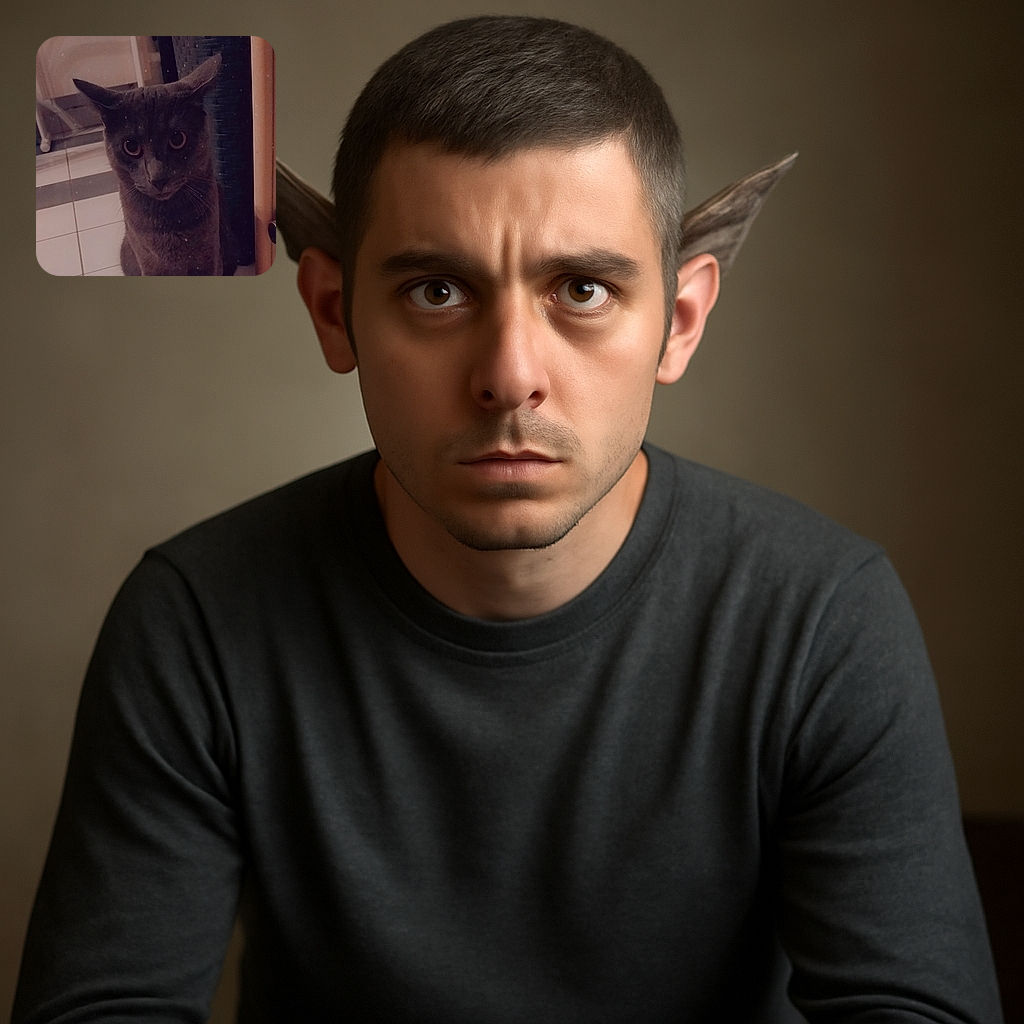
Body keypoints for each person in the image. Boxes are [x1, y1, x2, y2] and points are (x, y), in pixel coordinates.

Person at [14, 15, 1002, 1024]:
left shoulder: (822, 618)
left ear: (679, 319)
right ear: (334, 311)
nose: (509, 378)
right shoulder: (195, 622)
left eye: (581, 288)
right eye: (436, 290)